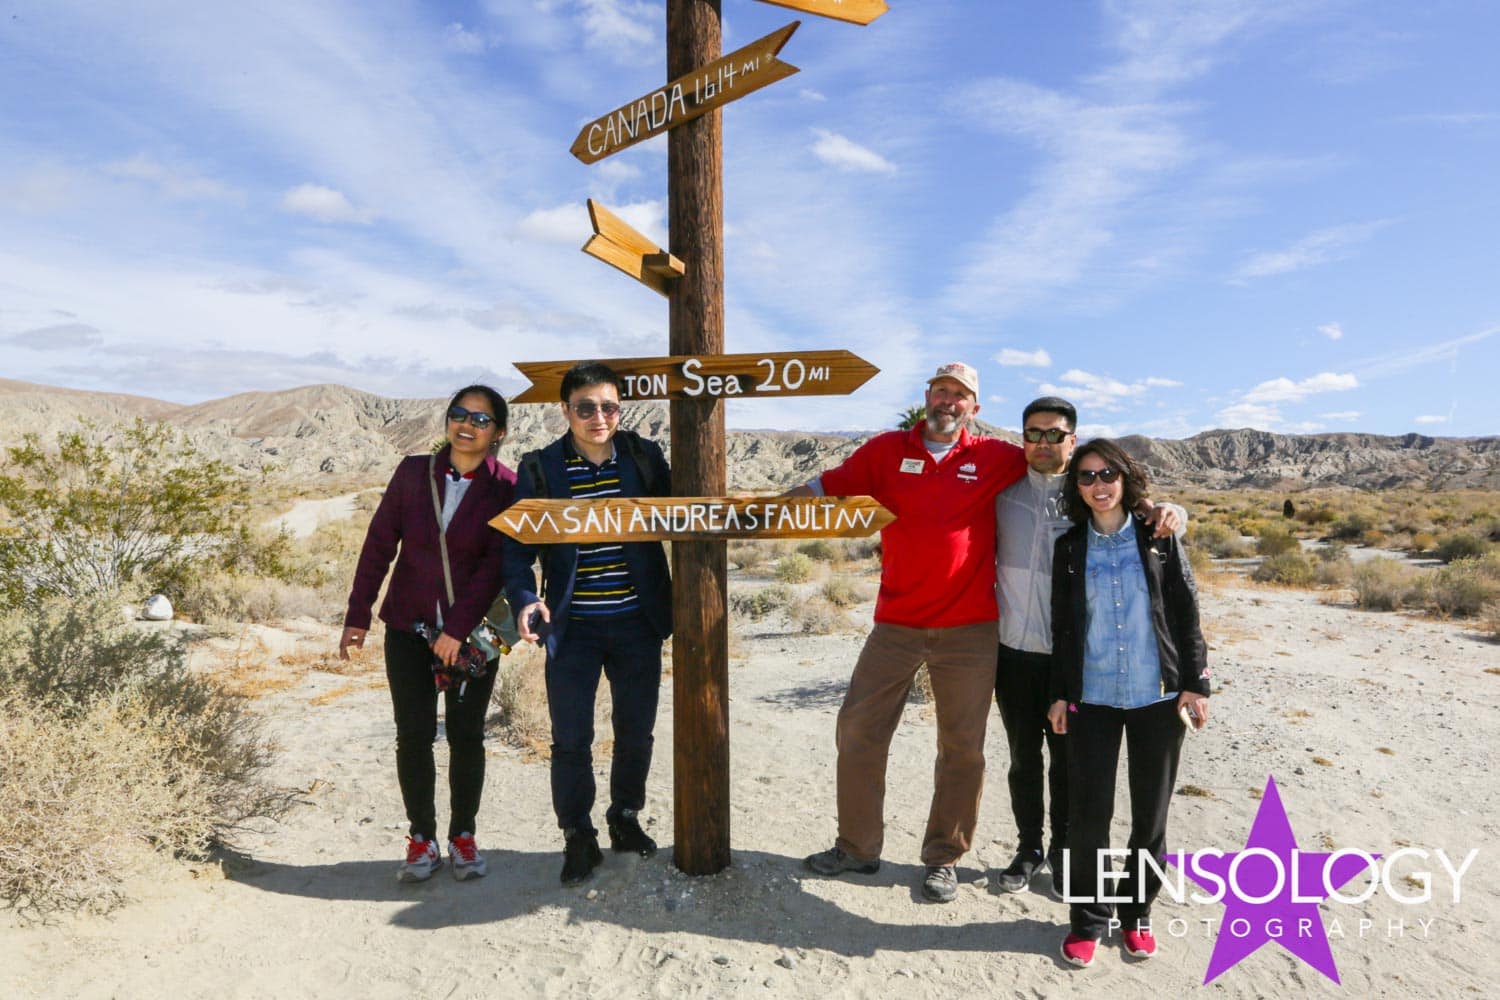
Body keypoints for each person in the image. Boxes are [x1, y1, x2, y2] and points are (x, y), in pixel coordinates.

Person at [794, 362, 1028, 903]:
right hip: (895, 624)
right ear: (927, 395)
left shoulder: (996, 457)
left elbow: (1064, 469)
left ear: (974, 408)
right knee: (858, 730)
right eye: (941, 390)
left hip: (970, 629)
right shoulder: (885, 451)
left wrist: (1154, 505)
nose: (948, 401)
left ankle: (944, 858)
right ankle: (857, 848)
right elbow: (825, 486)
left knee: (962, 748)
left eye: (959, 395)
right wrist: (762, 511)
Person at [993, 399, 1183, 896]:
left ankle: (1065, 851)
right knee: (1022, 759)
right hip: (1013, 652)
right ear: (1022, 438)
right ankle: (1028, 848)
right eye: (1033, 433)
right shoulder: (1001, 492)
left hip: (1073, 661)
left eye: (1055, 434)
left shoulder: (1086, 494)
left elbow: (1136, 514)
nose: (1043, 442)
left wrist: (1169, 510)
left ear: (1071, 440)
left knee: (1070, 764)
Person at [503, 362, 672, 886]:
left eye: (609, 407)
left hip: (638, 623)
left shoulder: (643, 458)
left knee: (635, 732)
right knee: (571, 738)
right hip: (572, 628)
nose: (599, 417)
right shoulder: (541, 467)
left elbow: (685, 519)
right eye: (585, 407)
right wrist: (525, 598)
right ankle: (577, 834)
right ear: (565, 410)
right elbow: (516, 548)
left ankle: (625, 817)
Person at [339, 385, 516, 882]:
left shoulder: (507, 486)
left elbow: (495, 566)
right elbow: (379, 544)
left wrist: (456, 631)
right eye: (459, 414)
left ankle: (463, 836)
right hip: (406, 628)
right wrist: (358, 614)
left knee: (466, 735)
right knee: (413, 735)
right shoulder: (414, 473)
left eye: (480, 419)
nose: (467, 425)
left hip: (473, 637)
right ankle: (422, 839)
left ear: (498, 433)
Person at [1046, 439, 1210, 968]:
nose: (1098, 485)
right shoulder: (1069, 548)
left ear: (1124, 479)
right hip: (1091, 696)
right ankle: (1087, 921)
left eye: (1107, 474)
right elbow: (1062, 627)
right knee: (1089, 817)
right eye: (1087, 476)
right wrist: (1059, 693)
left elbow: (1185, 611)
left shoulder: (1158, 537)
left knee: (1150, 816)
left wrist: (1196, 683)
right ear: (1076, 487)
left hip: (1156, 696)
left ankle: (1137, 913)